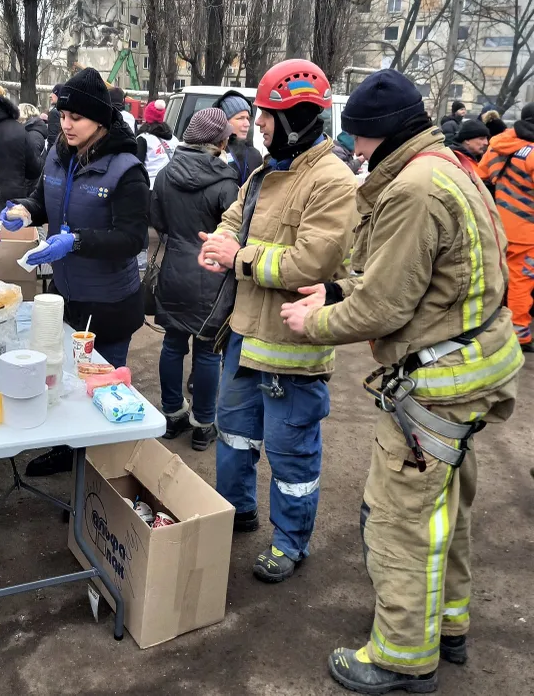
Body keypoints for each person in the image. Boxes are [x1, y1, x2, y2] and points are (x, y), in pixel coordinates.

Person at [280, 68, 522, 694]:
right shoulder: (447, 168)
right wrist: (337, 287)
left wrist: (317, 318)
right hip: (471, 372)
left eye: (358, 139)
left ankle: (400, 658)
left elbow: (384, 308)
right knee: (445, 510)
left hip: (437, 383)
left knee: (400, 522)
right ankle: (447, 625)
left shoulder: (414, 190)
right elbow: (419, 280)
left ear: (383, 135)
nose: (353, 151)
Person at [198, 59, 357, 583]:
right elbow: (233, 218)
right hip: (244, 337)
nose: (258, 126)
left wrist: (237, 256)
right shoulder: (266, 172)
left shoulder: (331, 181)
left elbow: (309, 263)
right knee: (235, 436)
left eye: (266, 117)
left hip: (291, 349)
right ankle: (235, 512)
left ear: (296, 118)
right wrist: (218, 243)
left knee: (291, 460)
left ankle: (290, 543)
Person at [0, 67, 150, 476]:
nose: (65, 124)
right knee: (68, 379)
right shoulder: (58, 154)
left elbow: (132, 238)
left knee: (103, 387)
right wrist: (24, 210)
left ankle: (104, 470)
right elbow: (43, 199)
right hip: (68, 294)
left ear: (99, 121)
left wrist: (77, 241)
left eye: (75, 118)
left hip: (110, 303)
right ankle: (71, 453)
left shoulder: (125, 169)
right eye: (62, 116)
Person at [151, 107, 239, 451]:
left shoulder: (164, 174)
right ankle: (203, 424)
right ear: (219, 141)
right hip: (212, 274)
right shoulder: (227, 181)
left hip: (174, 269)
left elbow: (158, 220)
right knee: (206, 353)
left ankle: (172, 415)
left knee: (172, 344)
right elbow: (234, 233)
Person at [478, 102, 534, 351]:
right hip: (526, 231)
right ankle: (519, 335)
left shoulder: (499, 145)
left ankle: (488, 324)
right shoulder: (532, 152)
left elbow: (481, 176)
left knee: (496, 278)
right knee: (522, 282)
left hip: (497, 225)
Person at [213, 91, 262, 185]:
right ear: (224, 121)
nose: (247, 124)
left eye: (248, 118)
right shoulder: (213, 153)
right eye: (240, 118)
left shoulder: (255, 154)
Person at [136, 100, 179, 190]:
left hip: (150, 187)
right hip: (170, 187)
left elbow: (137, 167)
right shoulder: (174, 140)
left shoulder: (143, 138)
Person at [47, 84, 63, 151]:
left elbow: (52, 138)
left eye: (53, 93)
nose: (50, 96)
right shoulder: (65, 110)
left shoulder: (54, 112)